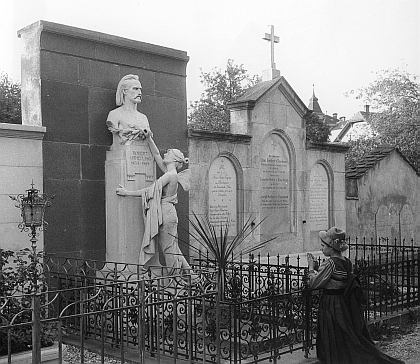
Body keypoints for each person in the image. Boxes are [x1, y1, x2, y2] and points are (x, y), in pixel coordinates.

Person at [307, 227, 404, 364]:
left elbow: (314, 283)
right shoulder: (346, 261)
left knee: (331, 334)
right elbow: (336, 279)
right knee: (344, 334)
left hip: (330, 304)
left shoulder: (329, 264)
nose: (321, 248)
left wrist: (311, 268)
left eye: (323, 246)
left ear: (332, 248)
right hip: (342, 303)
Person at [116, 130, 194, 277]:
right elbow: (157, 154)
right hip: (167, 212)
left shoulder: (170, 175)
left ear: (174, 160)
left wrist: (128, 192)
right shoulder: (169, 172)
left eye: (168, 153)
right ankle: (193, 276)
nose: (165, 154)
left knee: (168, 248)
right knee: (172, 246)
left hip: (166, 214)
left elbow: (149, 191)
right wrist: (149, 139)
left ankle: (175, 279)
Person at [106, 75, 150, 145]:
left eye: (140, 89)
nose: (140, 93)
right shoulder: (114, 114)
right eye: (135, 89)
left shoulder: (143, 118)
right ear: (125, 91)